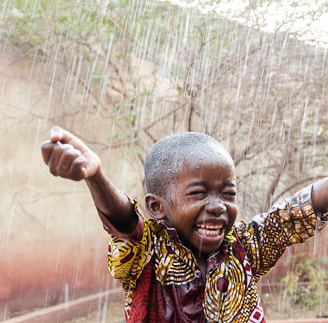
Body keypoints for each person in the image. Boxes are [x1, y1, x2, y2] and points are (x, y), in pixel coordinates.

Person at [41, 126, 328, 323]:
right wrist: (96, 176)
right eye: (198, 194)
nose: (218, 206)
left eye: (228, 194)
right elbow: (125, 223)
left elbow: (291, 215)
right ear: (156, 206)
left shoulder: (244, 248)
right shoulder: (148, 251)